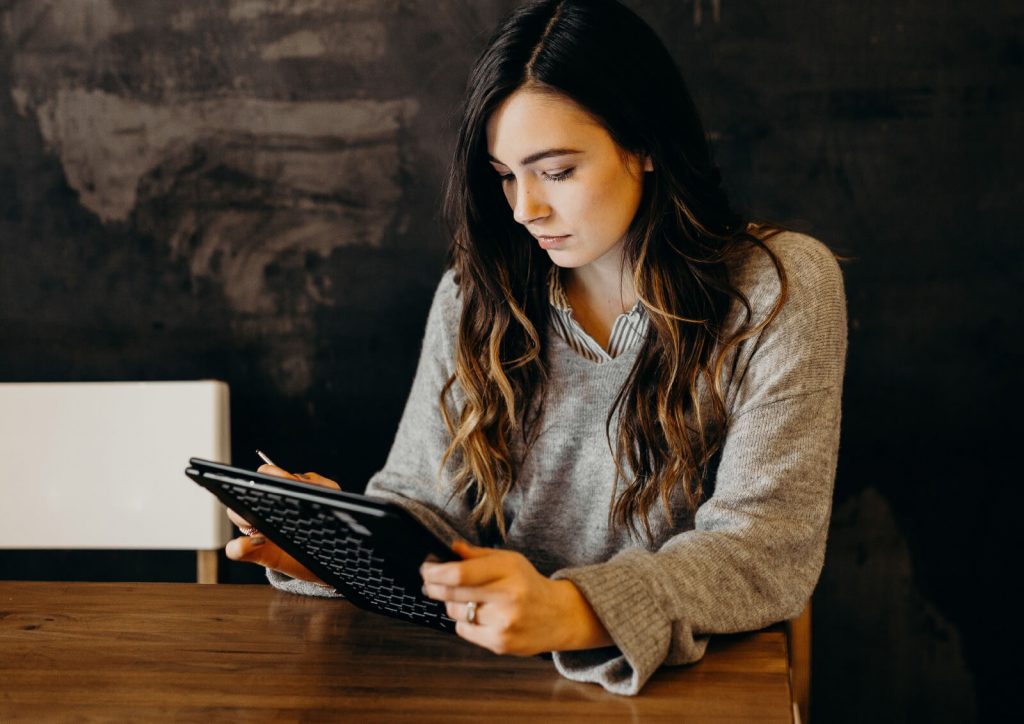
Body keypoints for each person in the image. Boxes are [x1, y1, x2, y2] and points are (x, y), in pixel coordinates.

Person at [225, 0, 847, 696]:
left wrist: (571, 610)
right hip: (507, 683)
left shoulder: (780, 287)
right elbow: (428, 511)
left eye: (555, 171)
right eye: (505, 175)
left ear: (645, 145)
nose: (524, 210)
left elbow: (765, 548)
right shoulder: (473, 296)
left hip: (702, 686)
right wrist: (334, 546)